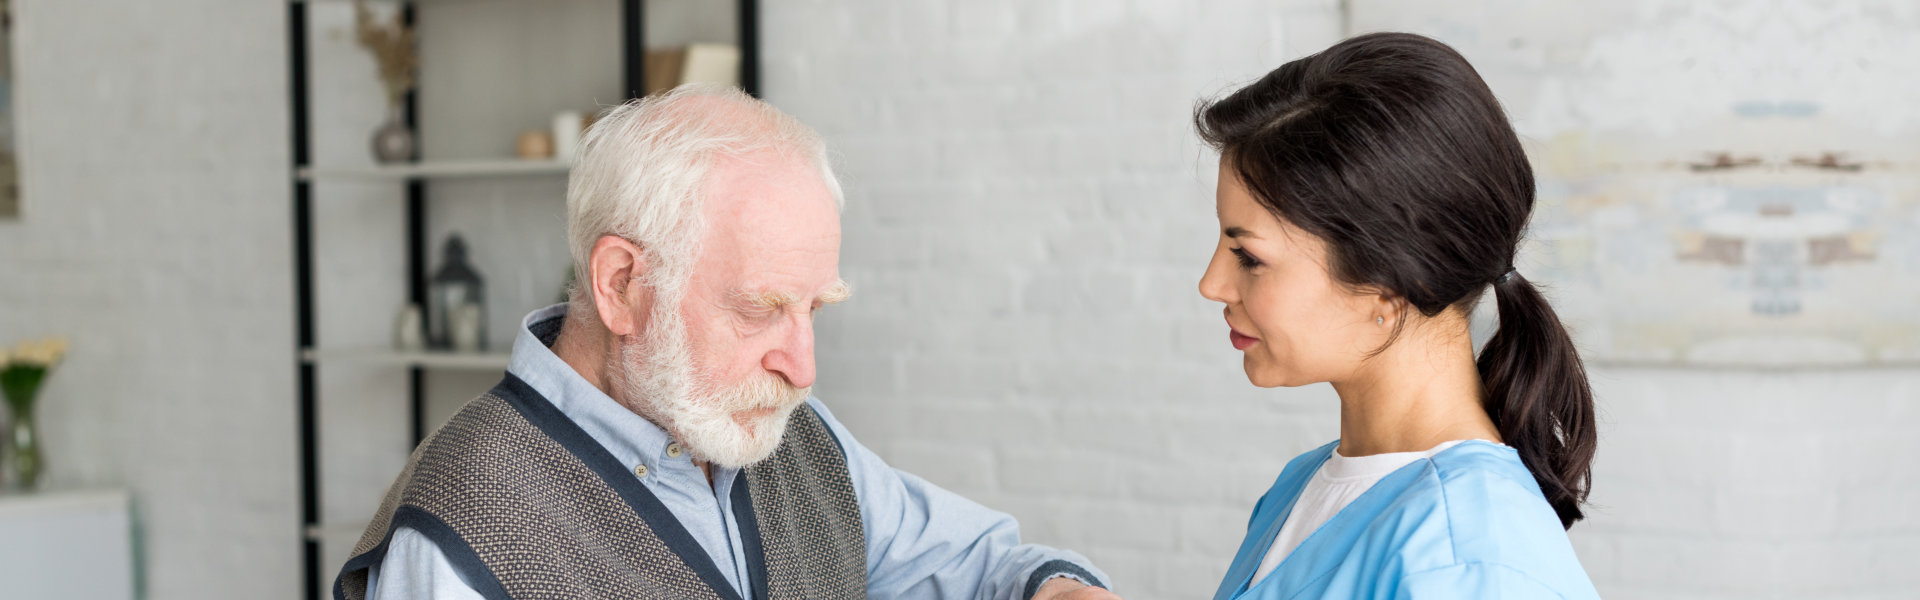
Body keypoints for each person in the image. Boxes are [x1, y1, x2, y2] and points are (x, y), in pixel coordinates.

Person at [334, 84, 1119, 600]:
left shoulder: (791, 440)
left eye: (815, 309)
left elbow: (974, 567)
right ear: (620, 285)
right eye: (760, 309)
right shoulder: (462, 534)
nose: (802, 368)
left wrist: (1058, 590)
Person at [1193, 33, 1603, 599]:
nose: (1211, 284)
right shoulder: (1302, 488)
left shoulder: (1469, 563)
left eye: (1249, 257)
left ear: (1391, 286)